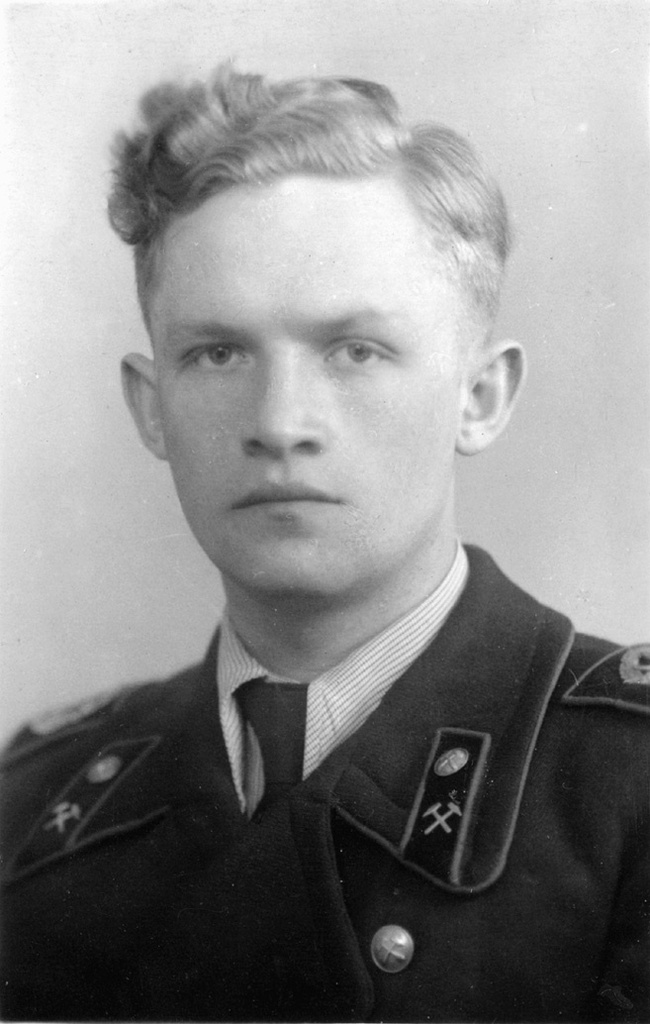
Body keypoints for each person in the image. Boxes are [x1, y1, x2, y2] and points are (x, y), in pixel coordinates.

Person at [1, 65, 648, 1023]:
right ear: (151, 406)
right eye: (218, 353)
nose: (279, 423)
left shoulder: (627, 787)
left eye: (355, 351)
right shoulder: (34, 801)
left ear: (480, 397)